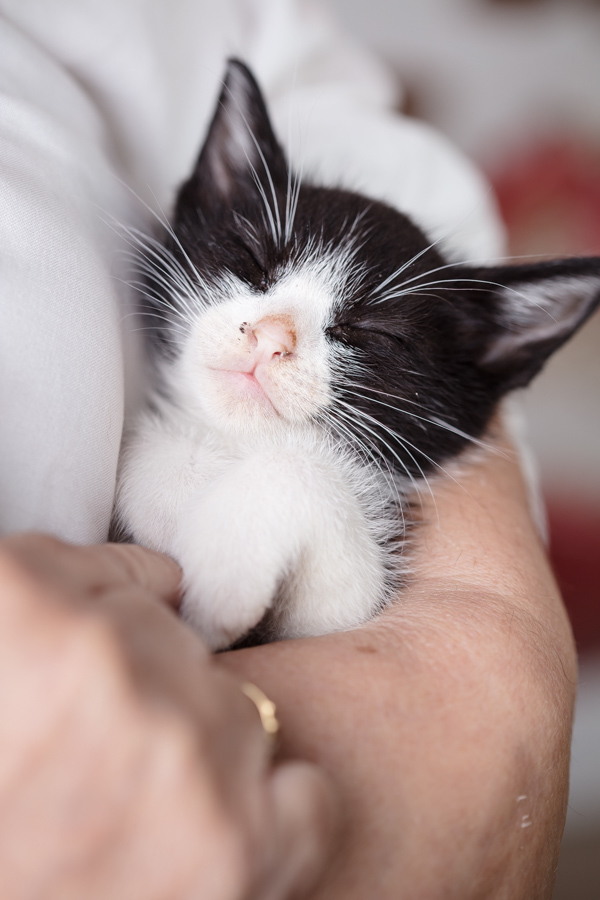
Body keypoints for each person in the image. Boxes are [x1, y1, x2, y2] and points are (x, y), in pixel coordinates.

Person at [0, 1, 575, 897]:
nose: (272, 333)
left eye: (371, 336)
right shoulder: (164, 456)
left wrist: (488, 671)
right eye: (251, 268)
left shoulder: (311, 493)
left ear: (484, 368)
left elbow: (310, 76)